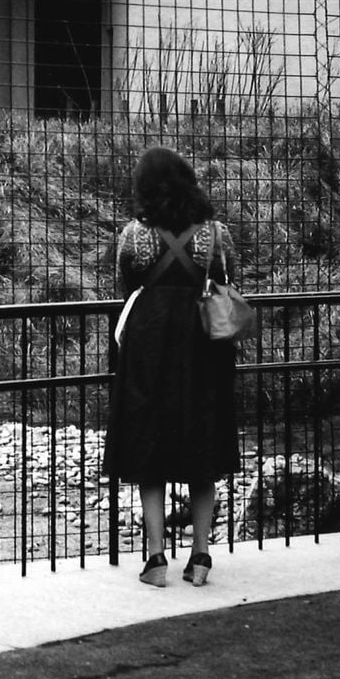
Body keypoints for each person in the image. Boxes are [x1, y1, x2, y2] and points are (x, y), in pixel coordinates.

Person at [104, 146, 241, 587]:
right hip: (203, 342)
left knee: (150, 440)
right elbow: (227, 278)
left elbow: (125, 284)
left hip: (150, 342)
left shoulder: (134, 236)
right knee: (203, 438)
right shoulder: (216, 234)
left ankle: (156, 559)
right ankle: (201, 558)